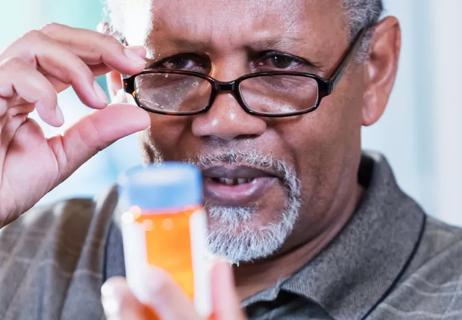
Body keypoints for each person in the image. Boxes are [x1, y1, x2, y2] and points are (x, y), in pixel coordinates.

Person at [1, 0, 461, 319]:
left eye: (279, 64)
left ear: (376, 69)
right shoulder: (17, 259)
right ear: (114, 75)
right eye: (177, 65)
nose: (222, 121)